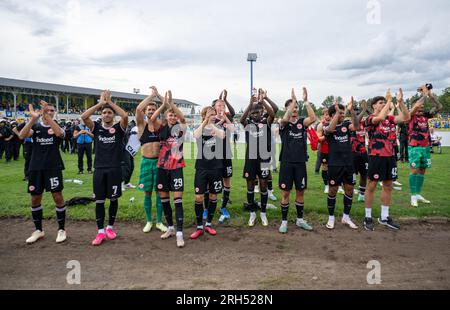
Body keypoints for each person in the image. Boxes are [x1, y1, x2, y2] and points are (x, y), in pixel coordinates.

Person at [81, 90, 128, 246]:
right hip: (100, 169)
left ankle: (110, 228)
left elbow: (125, 116)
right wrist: (101, 103)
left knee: (113, 199)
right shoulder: (96, 128)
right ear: (101, 115)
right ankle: (100, 232)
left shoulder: (119, 128)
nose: (107, 114)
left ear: (113, 115)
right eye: (104, 112)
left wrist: (110, 102)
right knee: (99, 201)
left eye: (109, 113)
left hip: (115, 169)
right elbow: (84, 117)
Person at [19, 101, 67, 244]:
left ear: (54, 113)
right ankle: (38, 230)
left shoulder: (58, 126)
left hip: (53, 167)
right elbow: (22, 136)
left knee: (57, 196)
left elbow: (59, 133)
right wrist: (33, 119)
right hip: (36, 168)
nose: (49, 112)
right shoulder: (36, 127)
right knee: (35, 198)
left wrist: (47, 117)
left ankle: (61, 229)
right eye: (47, 110)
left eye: (52, 110)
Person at [363, 89, 410, 231]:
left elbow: (406, 117)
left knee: (388, 185)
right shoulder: (370, 119)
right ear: (374, 106)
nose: (383, 104)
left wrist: (400, 102)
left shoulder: (390, 119)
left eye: (384, 102)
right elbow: (380, 118)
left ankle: (384, 217)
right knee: (371, 186)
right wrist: (389, 101)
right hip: (376, 157)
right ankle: (368, 217)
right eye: (380, 102)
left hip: (390, 157)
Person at [278, 88, 316, 234]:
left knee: (300, 192)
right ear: (287, 109)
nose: (294, 109)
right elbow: (285, 119)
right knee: (286, 193)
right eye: (292, 107)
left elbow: (312, 118)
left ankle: (300, 220)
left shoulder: (302, 122)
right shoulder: (284, 123)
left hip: (300, 163)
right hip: (287, 163)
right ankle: (284, 222)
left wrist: (305, 101)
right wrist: (293, 101)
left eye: (296, 107)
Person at [152, 91, 187, 248]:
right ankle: (171, 228)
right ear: (166, 117)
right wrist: (163, 103)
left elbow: (183, 117)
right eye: (170, 115)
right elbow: (152, 119)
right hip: (162, 167)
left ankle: (180, 233)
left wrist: (171, 104)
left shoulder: (180, 128)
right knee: (164, 199)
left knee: (177, 200)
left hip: (177, 167)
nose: (173, 117)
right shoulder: (161, 128)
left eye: (174, 115)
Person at [240, 89, 276, 227]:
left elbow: (273, 113)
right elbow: (241, 119)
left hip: (264, 158)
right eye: (253, 113)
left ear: (261, 112)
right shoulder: (248, 124)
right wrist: (250, 104)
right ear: (250, 113)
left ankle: (263, 213)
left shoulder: (266, 122)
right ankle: (252, 214)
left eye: (258, 112)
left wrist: (263, 101)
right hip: (251, 159)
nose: (255, 115)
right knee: (250, 186)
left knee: (263, 185)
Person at [135, 86, 167, 233]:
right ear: (146, 112)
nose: (151, 111)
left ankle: (159, 221)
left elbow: (166, 107)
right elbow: (138, 110)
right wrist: (151, 96)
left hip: (159, 163)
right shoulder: (142, 125)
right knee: (147, 192)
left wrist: (159, 96)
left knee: (160, 192)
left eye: (153, 110)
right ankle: (149, 221)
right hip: (146, 162)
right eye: (149, 110)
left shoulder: (160, 125)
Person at [323, 98, 359, 230]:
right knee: (333, 190)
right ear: (332, 115)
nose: (343, 115)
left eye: (344, 113)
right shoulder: (328, 126)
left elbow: (356, 126)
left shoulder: (346, 124)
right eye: (340, 113)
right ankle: (331, 218)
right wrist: (337, 113)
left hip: (348, 164)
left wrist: (352, 111)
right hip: (334, 164)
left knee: (349, 189)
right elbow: (331, 129)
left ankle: (346, 217)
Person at [191, 106, 225, 239]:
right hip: (201, 167)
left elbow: (222, 136)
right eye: (209, 114)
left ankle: (209, 224)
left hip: (216, 167)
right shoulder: (200, 128)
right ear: (204, 115)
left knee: (213, 196)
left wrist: (212, 124)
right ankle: (199, 226)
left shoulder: (217, 128)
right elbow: (196, 135)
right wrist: (205, 121)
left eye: (213, 114)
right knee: (198, 197)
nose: (211, 116)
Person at [408, 84, 443, 207]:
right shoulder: (409, 115)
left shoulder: (425, 115)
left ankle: (418, 193)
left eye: (423, 106)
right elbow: (417, 105)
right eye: (419, 105)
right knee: (415, 170)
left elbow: (439, 106)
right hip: (414, 147)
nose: (421, 107)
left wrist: (430, 95)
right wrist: (424, 94)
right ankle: (413, 195)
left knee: (422, 170)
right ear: (413, 106)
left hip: (425, 147)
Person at [208, 90, 235, 224]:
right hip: (213, 155)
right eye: (219, 105)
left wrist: (226, 118)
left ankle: (223, 207)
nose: (221, 108)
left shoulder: (226, 118)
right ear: (214, 107)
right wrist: (221, 121)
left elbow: (233, 129)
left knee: (226, 180)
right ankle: (207, 207)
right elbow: (209, 129)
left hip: (226, 154)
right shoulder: (211, 119)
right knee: (211, 181)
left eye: (223, 106)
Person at [350, 100, 369, 202]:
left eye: (359, 113)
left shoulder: (364, 123)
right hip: (353, 154)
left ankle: (362, 194)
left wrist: (367, 110)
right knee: (352, 175)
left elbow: (373, 116)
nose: (358, 115)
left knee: (364, 174)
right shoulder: (349, 124)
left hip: (363, 153)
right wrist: (363, 110)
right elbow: (356, 120)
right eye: (355, 113)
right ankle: (350, 193)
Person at [316, 111, 331, 193]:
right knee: (325, 167)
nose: (328, 116)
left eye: (329, 114)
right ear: (323, 116)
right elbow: (318, 138)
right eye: (326, 114)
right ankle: (326, 186)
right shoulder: (321, 125)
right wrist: (327, 135)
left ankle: (338, 186)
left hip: (335, 149)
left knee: (336, 167)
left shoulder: (336, 123)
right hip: (325, 149)